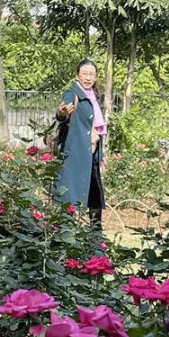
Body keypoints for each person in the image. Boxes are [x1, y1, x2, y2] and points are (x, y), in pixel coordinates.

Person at [54, 59, 106, 231]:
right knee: (70, 198)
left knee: (94, 197)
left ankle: (96, 239)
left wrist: (101, 155)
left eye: (92, 74)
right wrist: (61, 113)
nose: (88, 77)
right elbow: (63, 114)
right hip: (74, 156)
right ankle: (65, 237)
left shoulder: (93, 97)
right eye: (85, 73)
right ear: (78, 75)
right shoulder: (72, 94)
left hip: (90, 156)